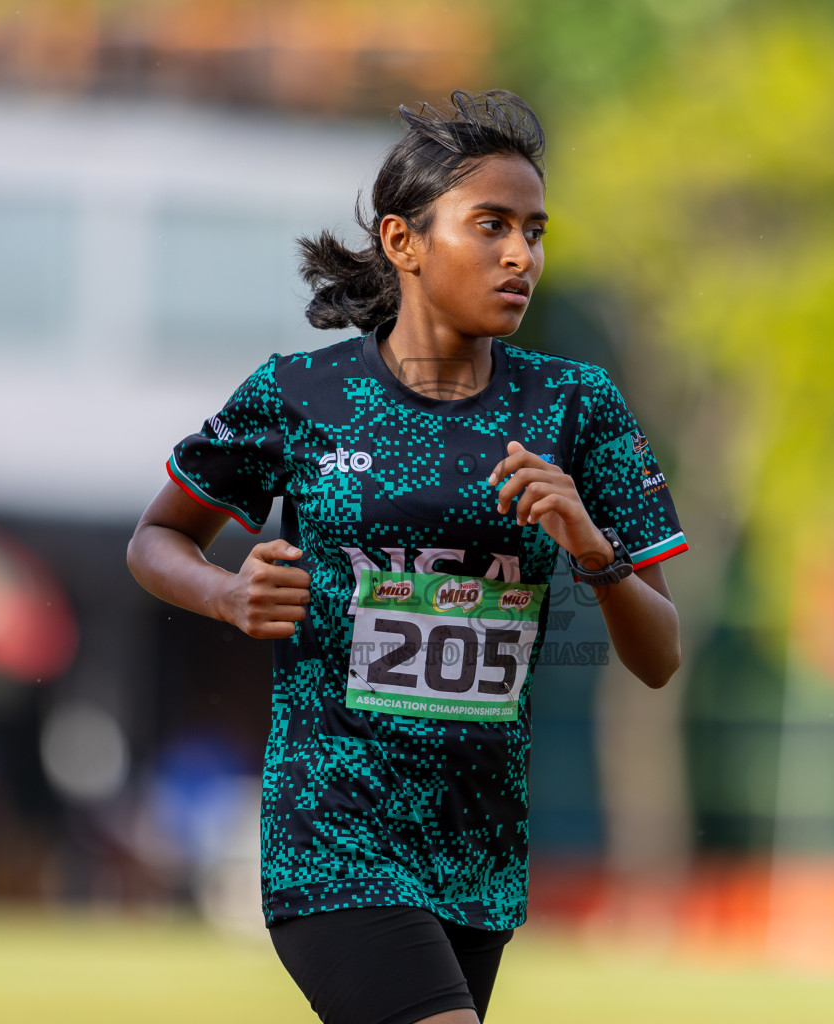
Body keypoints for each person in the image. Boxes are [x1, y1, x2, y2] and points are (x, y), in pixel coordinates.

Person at [127, 89, 686, 1024]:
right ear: (403, 241)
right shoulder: (301, 395)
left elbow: (659, 656)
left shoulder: (576, 407)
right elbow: (156, 539)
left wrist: (591, 545)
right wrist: (228, 595)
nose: (522, 256)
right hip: (333, 833)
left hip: (479, 849)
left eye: (535, 231)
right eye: (492, 226)